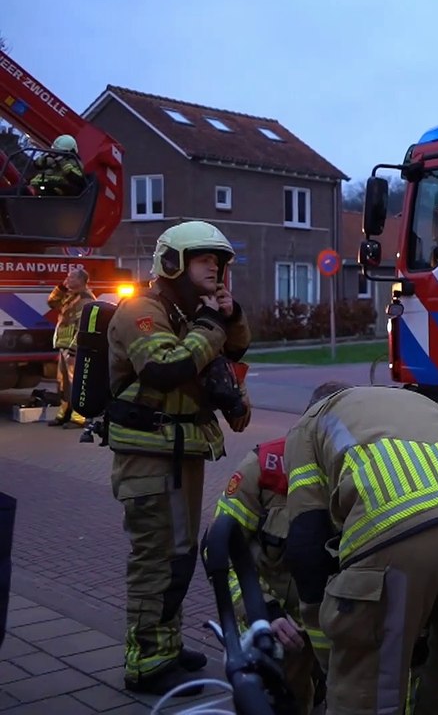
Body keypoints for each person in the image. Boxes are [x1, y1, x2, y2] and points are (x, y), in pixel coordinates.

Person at [283, 383, 438, 715]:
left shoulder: (309, 424)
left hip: (396, 535)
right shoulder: (414, 404)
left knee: (368, 700)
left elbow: (306, 545)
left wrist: (333, 653)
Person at [106, 220, 252, 695]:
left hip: (180, 455)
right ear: (173, 263)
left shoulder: (190, 317)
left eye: (221, 261)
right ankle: (145, 661)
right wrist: (211, 324)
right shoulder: (140, 310)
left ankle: (164, 648)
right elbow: (166, 369)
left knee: (180, 559)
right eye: (205, 259)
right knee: (156, 561)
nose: (217, 268)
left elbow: (232, 352)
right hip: (149, 458)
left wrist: (228, 316)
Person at [211, 435, 328, 714]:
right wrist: (263, 613)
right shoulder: (263, 467)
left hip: (330, 623)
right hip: (275, 620)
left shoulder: (358, 470)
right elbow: (221, 553)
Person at [46, 265, 95, 427]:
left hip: (74, 349)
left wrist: (75, 348)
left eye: (71, 277)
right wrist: (60, 287)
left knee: (76, 383)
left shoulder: (85, 300)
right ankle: (64, 413)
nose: (67, 279)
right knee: (63, 383)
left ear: (81, 280)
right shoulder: (69, 296)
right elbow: (52, 302)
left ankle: (78, 418)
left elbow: (83, 327)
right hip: (64, 347)